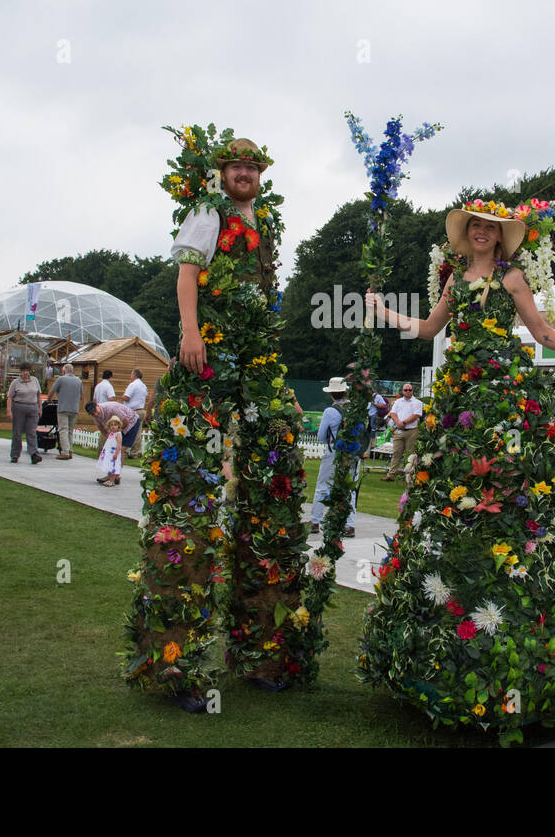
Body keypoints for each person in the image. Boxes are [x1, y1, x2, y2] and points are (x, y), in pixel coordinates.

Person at [360, 198, 555, 736]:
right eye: (473, 227)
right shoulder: (452, 280)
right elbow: (427, 331)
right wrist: (383, 313)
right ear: (465, 233)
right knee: (453, 480)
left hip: (506, 388)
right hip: (460, 391)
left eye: (488, 229)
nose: (480, 234)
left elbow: (540, 332)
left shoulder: (513, 278)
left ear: (499, 237)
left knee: (518, 474)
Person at [128, 132, 312, 710]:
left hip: (254, 363)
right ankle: (173, 664)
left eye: (252, 167)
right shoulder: (207, 213)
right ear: (221, 171)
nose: (244, 174)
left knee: (273, 495)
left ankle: (261, 653)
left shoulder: (263, 225)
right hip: (208, 357)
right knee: (187, 501)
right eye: (235, 166)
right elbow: (188, 274)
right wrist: (190, 333)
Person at [310, 377, 357, 537]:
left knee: (322, 486)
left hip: (333, 451)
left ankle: (315, 521)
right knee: (349, 488)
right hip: (351, 452)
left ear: (332, 394)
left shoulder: (330, 411)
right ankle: (350, 525)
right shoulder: (354, 409)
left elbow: (322, 436)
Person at [383, 383, 422, 481]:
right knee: (396, 453)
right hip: (399, 430)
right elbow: (393, 413)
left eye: (410, 390)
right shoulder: (398, 402)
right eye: (406, 390)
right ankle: (391, 475)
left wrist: (404, 422)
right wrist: (398, 423)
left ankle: (409, 477)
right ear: (402, 391)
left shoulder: (417, 402)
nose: (408, 392)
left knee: (410, 455)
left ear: (412, 391)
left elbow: (416, 415)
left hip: (412, 431)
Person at [8, 361, 43, 464]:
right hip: (19, 407)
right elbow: (9, 397)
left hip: (33, 407)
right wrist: (9, 410)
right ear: (20, 372)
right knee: (17, 432)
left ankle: (34, 454)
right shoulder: (16, 382)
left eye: (27, 371)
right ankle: (15, 455)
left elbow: (38, 395)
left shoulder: (35, 380)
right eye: (23, 371)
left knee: (31, 432)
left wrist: (40, 408)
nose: (25, 373)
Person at [48, 363, 82, 459]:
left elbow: (52, 391)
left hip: (63, 408)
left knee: (63, 430)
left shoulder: (61, 379)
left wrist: (49, 399)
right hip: (74, 409)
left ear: (64, 371)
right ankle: (70, 450)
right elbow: (81, 396)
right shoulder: (78, 381)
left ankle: (65, 452)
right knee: (70, 431)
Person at [122, 368, 149, 455]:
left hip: (132, 411)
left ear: (134, 375)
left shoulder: (133, 385)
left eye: (131, 375)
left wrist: (122, 396)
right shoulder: (144, 386)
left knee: (127, 430)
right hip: (141, 410)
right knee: (138, 432)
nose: (130, 377)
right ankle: (135, 452)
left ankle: (124, 451)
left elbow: (126, 397)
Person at [96, 415, 124, 486]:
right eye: (111, 425)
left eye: (115, 425)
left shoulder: (118, 434)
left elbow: (119, 445)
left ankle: (112, 481)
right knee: (109, 467)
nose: (113, 426)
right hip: (109, 454)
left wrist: (116, 454)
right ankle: (110, 479)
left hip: (114, 454)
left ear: (119, 426)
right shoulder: (111, 434)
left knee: (113, 467)